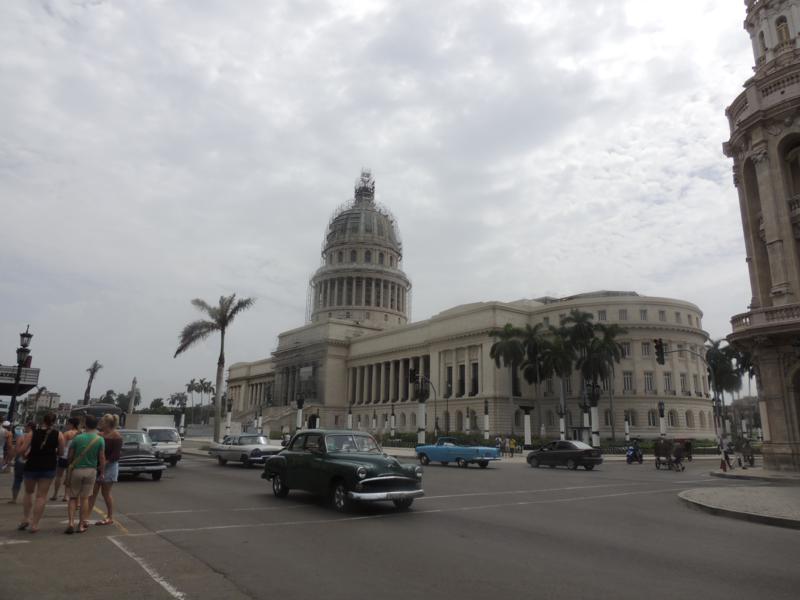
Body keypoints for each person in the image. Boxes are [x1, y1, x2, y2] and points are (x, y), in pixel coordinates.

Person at [19, 413, 65, 533]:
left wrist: (24, 456)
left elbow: (23, 449)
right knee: (41, 496)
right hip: (48, 466)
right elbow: (61, 452)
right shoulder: (59, 434)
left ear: (43, 421)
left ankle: (25, 518)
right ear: (54, 422)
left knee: (28, 492)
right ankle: (34, 524)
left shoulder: (32, 433)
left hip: (32, 465)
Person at [65, 414, 105, 534]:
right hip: (91, 471)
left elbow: (70, 456)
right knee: (85, 498)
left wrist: (69, 467)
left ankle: (71, 522)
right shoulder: (100, 439)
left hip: (77, 470)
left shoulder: (77, 438)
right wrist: (102, 472)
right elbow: (102, 458)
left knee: (73, 497)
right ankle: (81, 524)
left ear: (85, 425)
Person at [88, 414, 122, 526]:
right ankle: (86, 516)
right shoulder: (100, 435)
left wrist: (103, 464)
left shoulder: (116, 436)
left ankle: (110, 517)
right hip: (98, 467)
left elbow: (115, 456)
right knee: (92, 493)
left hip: (110, 467)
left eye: (102, 421)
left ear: (107, 423)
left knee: (105, 493)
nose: (100, 423)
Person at [51, 417, 81, 502]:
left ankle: (55, 494)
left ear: (72, 424)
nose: (67, 425)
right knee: (69, 476)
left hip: (64, 456)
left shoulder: (67, 433)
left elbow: (62, 445)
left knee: (58, 476)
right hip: (73, 457)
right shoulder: (80, 434)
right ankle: (66, 495)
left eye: (68, 423)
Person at [8, 422, 34, 505]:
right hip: (31, 461)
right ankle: (28, 498)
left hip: (20, 460)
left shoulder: (22, 437)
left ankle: (14, 499)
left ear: (29, 427)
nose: (25, 428)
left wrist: (11, 459)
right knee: (29, 480)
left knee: (17, 479)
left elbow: (16, 449)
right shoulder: (37, 437)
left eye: (26, 426)